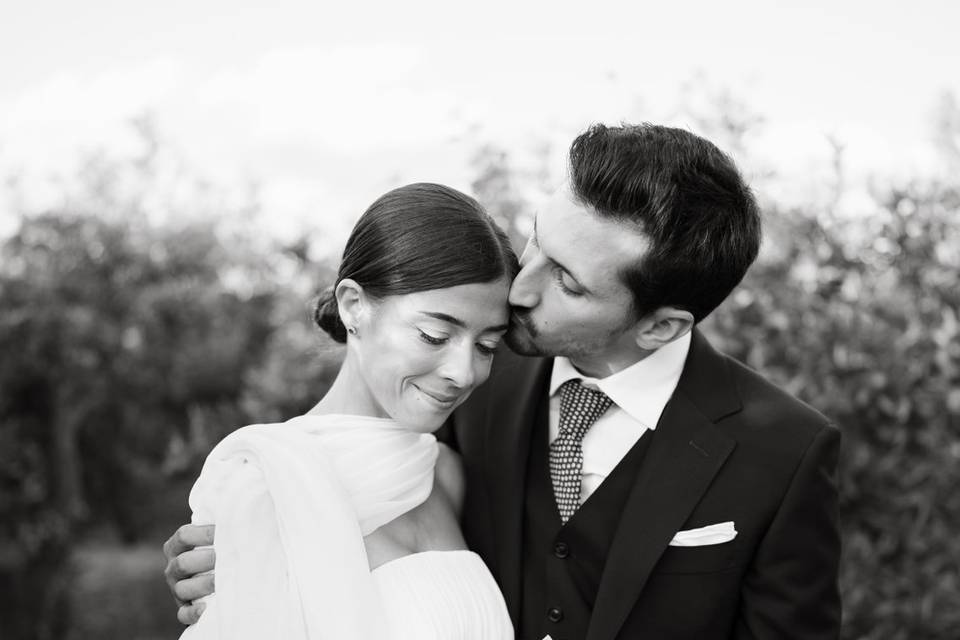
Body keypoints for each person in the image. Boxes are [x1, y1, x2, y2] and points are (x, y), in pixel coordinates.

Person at [166, 124, 841, 639]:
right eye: (538, 242)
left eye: (567, 282)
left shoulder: (781, 452)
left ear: (661, 326)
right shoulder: (470, 381)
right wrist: (239, 551)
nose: (520, 285)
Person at [170, 182, 518, 639]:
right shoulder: (265, 481)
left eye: (487, 345)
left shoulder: (446, 474)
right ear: (354, 306)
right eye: (434, 336)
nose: (464, 371)